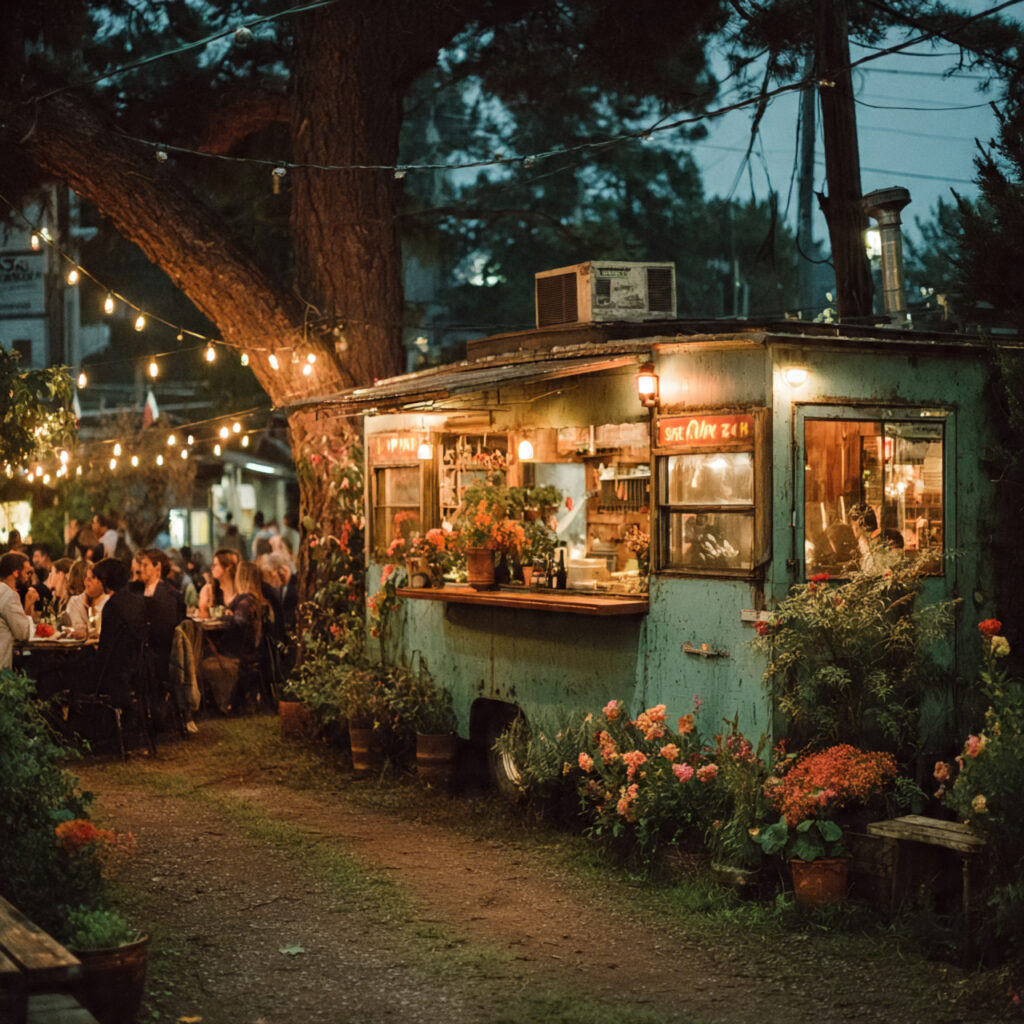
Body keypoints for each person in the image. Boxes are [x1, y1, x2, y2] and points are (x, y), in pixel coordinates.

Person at [92, 558, 148, 706]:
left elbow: (105, 651)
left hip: (115, 675)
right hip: (139, 669)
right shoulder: (138, 602)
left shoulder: (112, 607)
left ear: (106, 581)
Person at [221, 560, 264, 710]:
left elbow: (239, 623)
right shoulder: (258, 599)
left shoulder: (245, 601)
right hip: (254, 652)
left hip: (242, 653)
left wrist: (228, 617)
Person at [0, 551, 35, 669]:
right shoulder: (8, 594)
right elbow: (23, 633)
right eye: (26, 572)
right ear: (16, 573)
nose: (27, 577)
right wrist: (29, 606)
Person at [63, 564, 109, 639]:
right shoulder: (75, 602)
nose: (87, 582)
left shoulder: (108, 603)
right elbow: (76, 629)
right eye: (86, 578)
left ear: (102, 582)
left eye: (93, 578)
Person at [198, 548, 239, 618]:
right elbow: (204, 619)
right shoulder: (209, 590)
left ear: (228, 567)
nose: (212, 568)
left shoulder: (240, 590)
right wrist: (203, 608)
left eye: (215, 565)